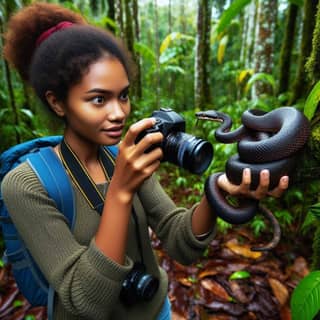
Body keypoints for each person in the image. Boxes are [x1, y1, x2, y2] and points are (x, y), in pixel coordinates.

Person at [1, 2, 289, 320]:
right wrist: (121, 192)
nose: (119, 113)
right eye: (99, 99)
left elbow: (180, 241)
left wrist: (220, 191)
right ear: (57, 103)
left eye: (122, 95)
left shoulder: (123, 157)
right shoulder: (25, 185)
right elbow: (84, 301)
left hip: (157, 312)